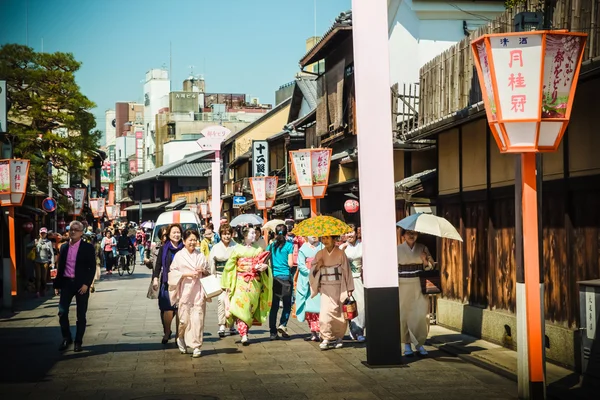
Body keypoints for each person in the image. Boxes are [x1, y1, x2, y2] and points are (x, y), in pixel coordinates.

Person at [221, 226, 272, 346]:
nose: (255, 235)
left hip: (254, 282)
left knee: (250, 307)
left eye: (255, 233)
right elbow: (230, 266)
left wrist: (264, 267)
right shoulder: (237, 249)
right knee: (240, 307)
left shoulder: (259, 249)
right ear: (244, 235)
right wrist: (227, 283)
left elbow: (265, 264)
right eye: (252, 233)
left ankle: (245, 331)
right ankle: (243, 334)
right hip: (241, 281)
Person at [54, 221, 96, 352]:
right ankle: (67, 337)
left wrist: (87, 284)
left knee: (81, 314)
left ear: (82, 233)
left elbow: (92, 267)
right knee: (62, 312)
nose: (73, 232)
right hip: (67, 283)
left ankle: (78, 341)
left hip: (81, 284)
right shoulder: (64, 247)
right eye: (71, 229)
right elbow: (60, 267)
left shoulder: (88, 247)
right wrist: (57, 284)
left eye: (76, 230)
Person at [168, 229, 210, 358]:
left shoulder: (201, 256)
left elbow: (208, 271)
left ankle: (196, 346)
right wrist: (187, 274)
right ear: (184, 241)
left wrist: (203, 270)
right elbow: (172, 272)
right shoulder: (179, 256)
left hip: (198, 291)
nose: (192, 242)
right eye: (190, 240)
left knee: (198, 319)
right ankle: (180, 337)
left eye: (194, 240)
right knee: (184, 320)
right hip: (185, 291)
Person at [309, 235, 354, 350]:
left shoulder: (340, 253)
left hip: (339, 287)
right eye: (323, 239)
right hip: (325, 287)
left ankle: (339, 337)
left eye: (327, 238)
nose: (325, 241)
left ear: (334, 239)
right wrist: (318, 266)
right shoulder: (320, 254)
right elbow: (313, 271)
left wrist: (349, 288)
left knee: (339, 314)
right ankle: (326, 337)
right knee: (324, 314)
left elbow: (347, 271)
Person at [397, 228, 435, 357]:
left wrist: (424, 260)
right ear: (403, 236)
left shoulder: (422, 248)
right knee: (404, 316)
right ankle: (406, 344)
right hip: (403, 285)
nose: (411, 235)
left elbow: (431, 267)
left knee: (421, 314)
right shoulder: (397, 249)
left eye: (414, 233)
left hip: (419, 285)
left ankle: (419, 343)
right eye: (408, 233)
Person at [152, 224, 184, 344]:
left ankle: (178, 335)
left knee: (179, 310)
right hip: (167, 282)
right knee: (167, 309)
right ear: (169, 235)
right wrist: (155, 278)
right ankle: (167, 331)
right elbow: (158, 265)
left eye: (178, 232)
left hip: (181, 282)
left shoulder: (184, 247)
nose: (176, 235)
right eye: (174, 232)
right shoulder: (164, 248)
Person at [207, 223, 236, 338]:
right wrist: (212, 276)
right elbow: (211, 263)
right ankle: (222, 325)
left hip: (233, 276)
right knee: (221, 300)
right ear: (221, 235)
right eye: (224, 234)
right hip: (220, 275)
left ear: (232, 234)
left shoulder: (236, 246)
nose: (226, 237)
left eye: (228, 234)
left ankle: (232, 325)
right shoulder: (215, 247)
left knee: (233, 300)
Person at [266, 224, 294, 340]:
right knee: (287, 304)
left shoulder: (271, 246)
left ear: (276, 233)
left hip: (274, 278)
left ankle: (273, 332)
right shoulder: (289, 245)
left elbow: (264, 257)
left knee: (274, 306)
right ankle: (282, 324)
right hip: (286, 278)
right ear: (286, 233)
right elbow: (290, 264)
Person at [295, 236, 324, 341]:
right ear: (307, 236)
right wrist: (311, 272)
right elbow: (301, 265)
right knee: (309, 307)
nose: (314, 236)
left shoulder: (322, 247)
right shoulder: (303, 249)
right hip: (307, 281)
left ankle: (322, 331)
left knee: (321, 306)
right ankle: (313, 332)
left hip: (320, 279)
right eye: (312, 233)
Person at [342, 225, 366, 342]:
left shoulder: (362, 246)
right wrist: (341, 249)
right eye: (347, 233)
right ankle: (353, 329)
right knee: (347, 306)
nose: (349, 235)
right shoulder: (342, 248)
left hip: (359, 278)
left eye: (351, 232)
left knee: (361, 306)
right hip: (346, 279)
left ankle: (360, 330)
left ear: (356, 233)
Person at [28, 227, 55, 297]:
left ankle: (43, 289)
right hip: (37, 261)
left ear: (46, 234)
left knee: (43, 278)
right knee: (38, 277)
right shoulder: (36, 240)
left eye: (44, 233)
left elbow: (52, 253)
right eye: (41, 233)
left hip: (45, 261)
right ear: (39, 233)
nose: (43, 234)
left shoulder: (49, 242)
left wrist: (52, 262)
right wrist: (34, 244)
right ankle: (37, 292)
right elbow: (27, 246)